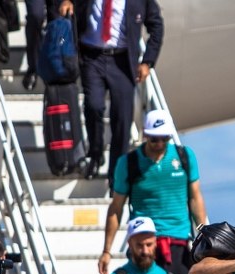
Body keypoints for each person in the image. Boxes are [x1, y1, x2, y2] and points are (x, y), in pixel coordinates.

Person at [99, 108, 207, 274]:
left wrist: (204, 235)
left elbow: (195, 198)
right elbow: (116, 207)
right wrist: (107, 250)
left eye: (164, 138)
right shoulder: (128, 163)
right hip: (143, 243)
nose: (159, 143)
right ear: (145, 135)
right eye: (154, 139)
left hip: (178, 241)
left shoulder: (184, 156)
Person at [58, 0, 164, 182]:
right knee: (93, 106)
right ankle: (95, 154)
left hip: (122, 62)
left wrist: (147, 61)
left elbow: (156, 26)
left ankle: (116, 173)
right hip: (92, 58)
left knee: (122, 119)